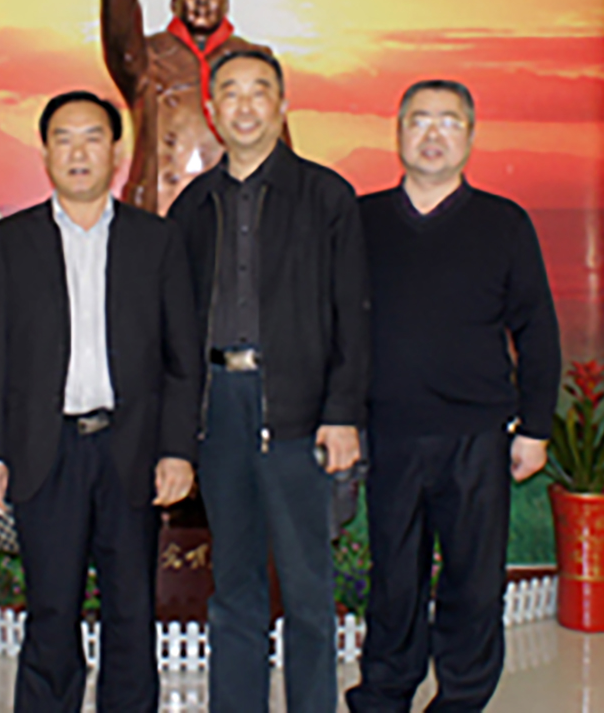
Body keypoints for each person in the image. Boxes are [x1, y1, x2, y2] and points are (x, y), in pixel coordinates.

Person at [0, 91, 202, 712]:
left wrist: (177, 450)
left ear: (115, 152)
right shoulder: (11, 240)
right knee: (50, 608)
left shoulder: (156, 240)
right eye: (64, 138)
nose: (79, 152)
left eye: (93, 137)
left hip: (130, 448)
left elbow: (182, 360)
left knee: (131, 608)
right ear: (46, 153)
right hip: (46, 452)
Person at [345, 80, 561, 713]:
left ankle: (463, 697)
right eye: (420, 120)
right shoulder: (360, 220)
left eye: (448, 121)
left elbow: (537, 329)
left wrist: (536, 428)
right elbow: (334, 327)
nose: (433, 134)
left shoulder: (504, 222)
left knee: (474, 580)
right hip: (389, 432)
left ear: (470, 135)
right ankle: (385, 691)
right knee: (393, 579)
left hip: (477, 434)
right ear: (399, 132)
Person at [168, 50, 370, 713]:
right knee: (234, 588)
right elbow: (174, 331)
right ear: (211, 110)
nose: (245, 105)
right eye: (230, 92)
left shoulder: (327, 196)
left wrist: (342, 413)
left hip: (300, 409)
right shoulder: (192, 207)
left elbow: (353, 314)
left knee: (309, 591)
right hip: (219, 409)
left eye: (260, 91)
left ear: (282, 105)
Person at [100, 0, 289, 213]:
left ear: (225, 1)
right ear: (174, 1)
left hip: (237, 215)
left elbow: (279, 147)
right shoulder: (148, 56)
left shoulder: (253, 59)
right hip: (159, 210)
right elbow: (119, 35)